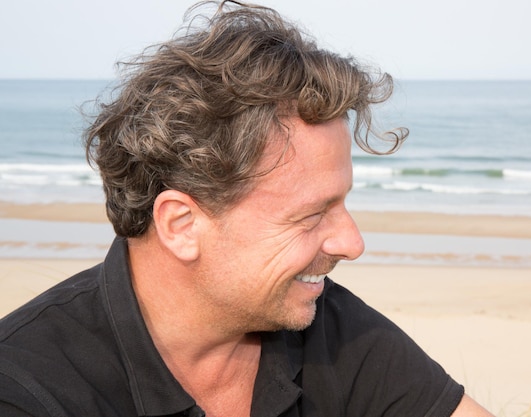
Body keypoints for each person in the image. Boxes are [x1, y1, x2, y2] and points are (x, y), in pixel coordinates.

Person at [0, 1, 494, 416]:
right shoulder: (27, 386)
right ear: (182, 225)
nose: (352, 243)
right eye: (310, 214)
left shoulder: (332, 329)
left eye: (342, 203)